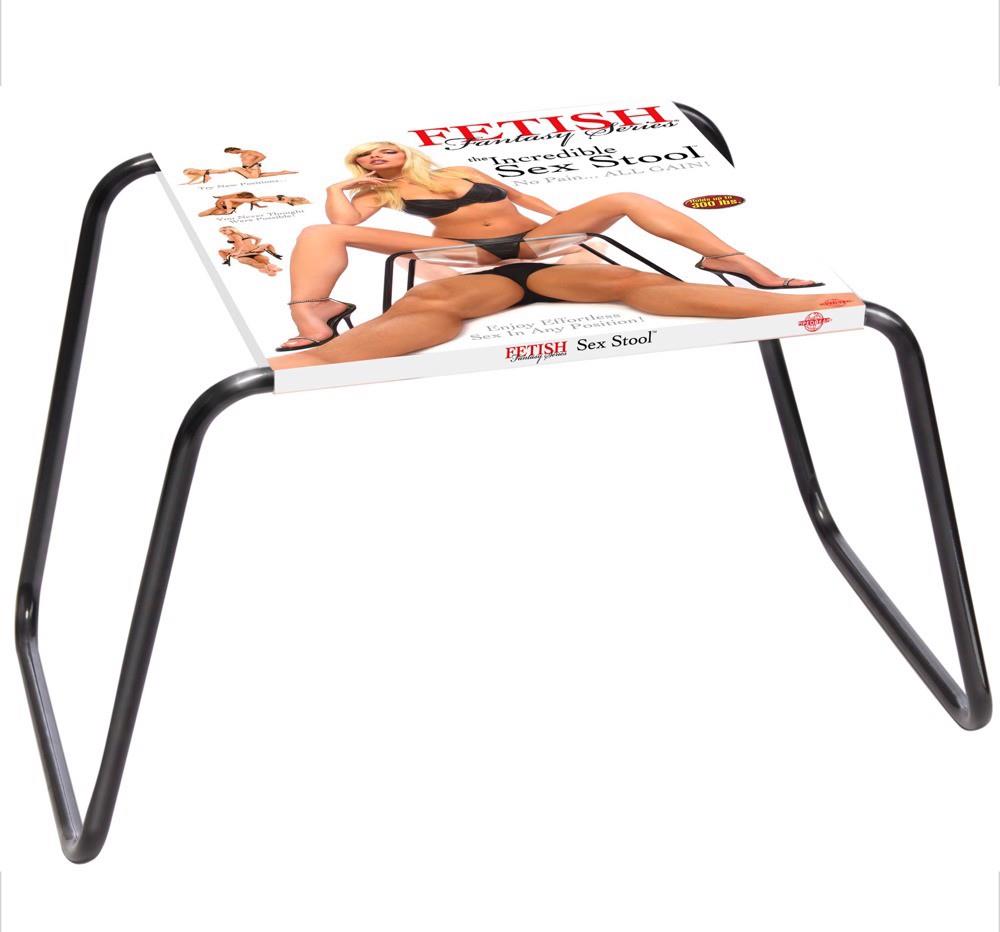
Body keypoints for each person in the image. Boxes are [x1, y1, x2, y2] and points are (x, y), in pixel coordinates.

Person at [276, 140, 821, 351]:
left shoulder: (462, 170)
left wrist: (564, 221)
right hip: (467, 253)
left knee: (625, 196)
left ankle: (730, 260)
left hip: (536, 241)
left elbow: (523, 198)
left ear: (403, 151)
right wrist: (340, 187)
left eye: (382, 152)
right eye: (364, 159)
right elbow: (340, 221)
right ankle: (315, 311)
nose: (374, 160)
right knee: (320, 232)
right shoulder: (381, 193)